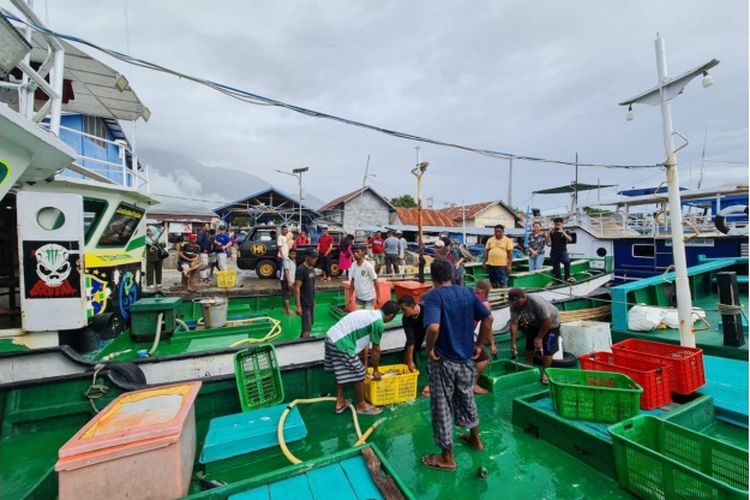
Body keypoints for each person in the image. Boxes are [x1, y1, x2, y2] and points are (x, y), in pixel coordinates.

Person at [421, 259, 493, 472]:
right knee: (467, 398)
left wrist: (430, 348)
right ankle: (476, 441)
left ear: (432, 278)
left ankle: (447, 457)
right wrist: (479, 345)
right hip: (465, 360)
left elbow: (433, 328)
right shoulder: (467, 293)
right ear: (452, 275)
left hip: (443, 362)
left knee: (442, 407)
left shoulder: (433, 297)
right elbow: (488, 319)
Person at [324, 302, 400, 416]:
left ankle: (340, 402)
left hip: (330, 337)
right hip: (341, 343)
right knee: (359, 374)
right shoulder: (378, 323)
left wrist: (365, 364)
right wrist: (375, 370)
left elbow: (365, 345)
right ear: (391, 316)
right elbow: (376, 349)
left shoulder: (369, 314)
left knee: (340, 369)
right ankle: (361, 405)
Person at [508, 288, 561, 385]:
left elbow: (547, 320)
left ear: (524, 297)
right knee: (529, 345)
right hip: (534, 323)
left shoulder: (537, 302)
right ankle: (529, 367)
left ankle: (546, 372)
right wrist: (513, 343)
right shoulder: (514, 305)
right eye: (513, 301)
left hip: (551, 323)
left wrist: (539, 337)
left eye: (517, 301)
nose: (515, 304)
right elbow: (514, 323)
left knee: (548, 347)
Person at [398, 294, 431, 397]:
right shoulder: (406, 318)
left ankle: (432, 383)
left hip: (431, 332)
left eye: (404, 309)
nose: (403, 312)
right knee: (407, 352)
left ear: (413, 306)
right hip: (416, 335)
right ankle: (409, 381)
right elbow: (410, 340)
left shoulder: (427, 310)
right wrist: (410, 360)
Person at [472, 280, 497, 394]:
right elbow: (488, 324)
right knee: (484, 359)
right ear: (487, 291)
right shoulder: (484, 303)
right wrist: (491, 343)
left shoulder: (469, 295)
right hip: (464, 334)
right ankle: (473, 384)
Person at [294, 249, 317, 338]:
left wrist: (314, 299)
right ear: (307, 257)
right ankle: (305, 346)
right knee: (306, 328)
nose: (315, 260)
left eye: (315, 258)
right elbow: (297, 288)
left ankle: (301, 340)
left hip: (310, 302)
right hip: (304, 304)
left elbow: (312, 286)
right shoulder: (301, 269)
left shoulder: (312, 269)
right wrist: (298, 306)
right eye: (313, 258)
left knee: (309, 326)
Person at [349, 245, 379, 309]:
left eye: (357, 251)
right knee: (360, 316)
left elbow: (375, 280)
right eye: (354, 252)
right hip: (358, 297)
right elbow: (352, 281)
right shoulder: (353, 265)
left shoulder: (368, 266)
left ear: (363, 252)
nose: (355, 254)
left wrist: (379, 297)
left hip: (369, 297)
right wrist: (350, 296)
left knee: (368, 317)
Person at [484, 224, 513, 288]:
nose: (497, 233)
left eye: (499, 231)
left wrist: (509, 265)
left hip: (501, 265)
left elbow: (510, 254)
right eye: (496, 231)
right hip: (491, 264)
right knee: (493, 281)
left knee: (502, 282)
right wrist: (484, 262)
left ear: (503, 232)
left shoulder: (507, 240)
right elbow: (486, 251)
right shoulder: (490, 240)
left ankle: (504, 296)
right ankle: (496, 294)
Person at [547, 218, 573, 283]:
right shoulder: (552, 231)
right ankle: (559, 281)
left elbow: (570, 239)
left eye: (559, 223)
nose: (557, 225)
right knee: (556, 268)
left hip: (563, 251)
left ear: (562, 224)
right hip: (554, 252)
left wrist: (563, 232)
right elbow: (547, 241)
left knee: (567, 262)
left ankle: (567, 278)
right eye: (556, 223)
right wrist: (548, 233)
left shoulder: (566, 231)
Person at [280, 248, 297, 315]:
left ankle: (285, 308)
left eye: (294, 254)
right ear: (289, 254)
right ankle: (288, 310)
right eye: (292, 254)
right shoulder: (286, 260)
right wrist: (289, 282)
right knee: (286, 295)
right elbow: (286, 271)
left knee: (288, 294)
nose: (293, 255)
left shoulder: (294, 260)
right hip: (285, 280)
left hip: (291, 280)